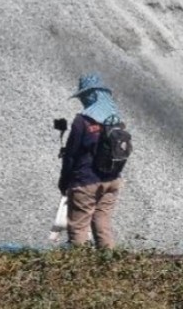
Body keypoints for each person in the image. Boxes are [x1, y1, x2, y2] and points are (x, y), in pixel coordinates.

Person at [58, 73, 126, 249]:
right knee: (102, 223)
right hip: (112, 180)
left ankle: (79, 268)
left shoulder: (83, 120)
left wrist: (64, 181)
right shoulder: (115, 119)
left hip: (86, 181)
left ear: (90, 95)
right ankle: (110, 264)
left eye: (84, 96)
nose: (83, 100)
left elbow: (71, 154)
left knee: (78, 226)